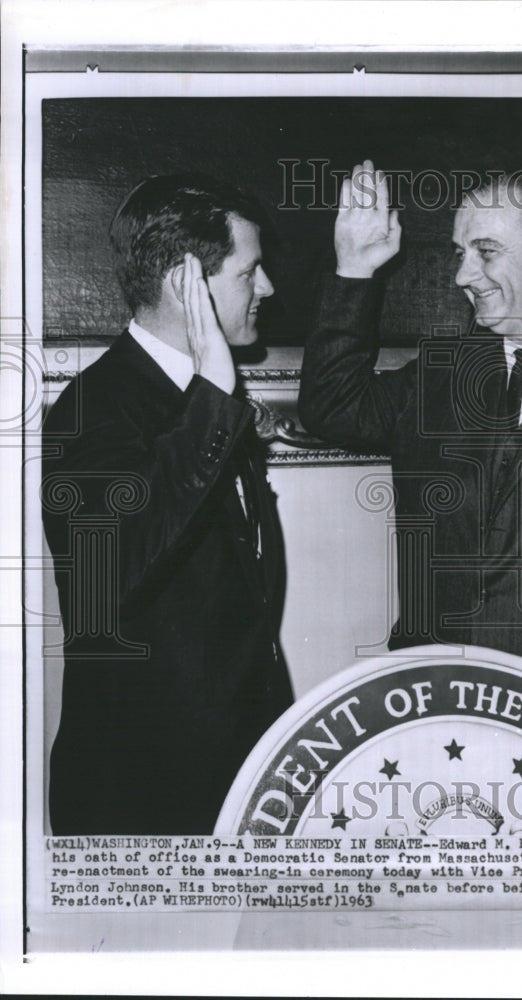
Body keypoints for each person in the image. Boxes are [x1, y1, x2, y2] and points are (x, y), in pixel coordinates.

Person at [299, 161, 522, 742]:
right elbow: (331, 404)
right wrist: (355, 268)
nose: (464, 273)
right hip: (439, 712)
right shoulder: (441, 376)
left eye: (485, 251)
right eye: (460, 253)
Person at [42, 174, 294, 834]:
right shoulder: (94, 408)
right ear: (189, 281)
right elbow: (122, 561)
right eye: (251, 270)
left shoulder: (204, 400)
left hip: (232, 780)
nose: (266, 288)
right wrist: (214, 383)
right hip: (142, 795)